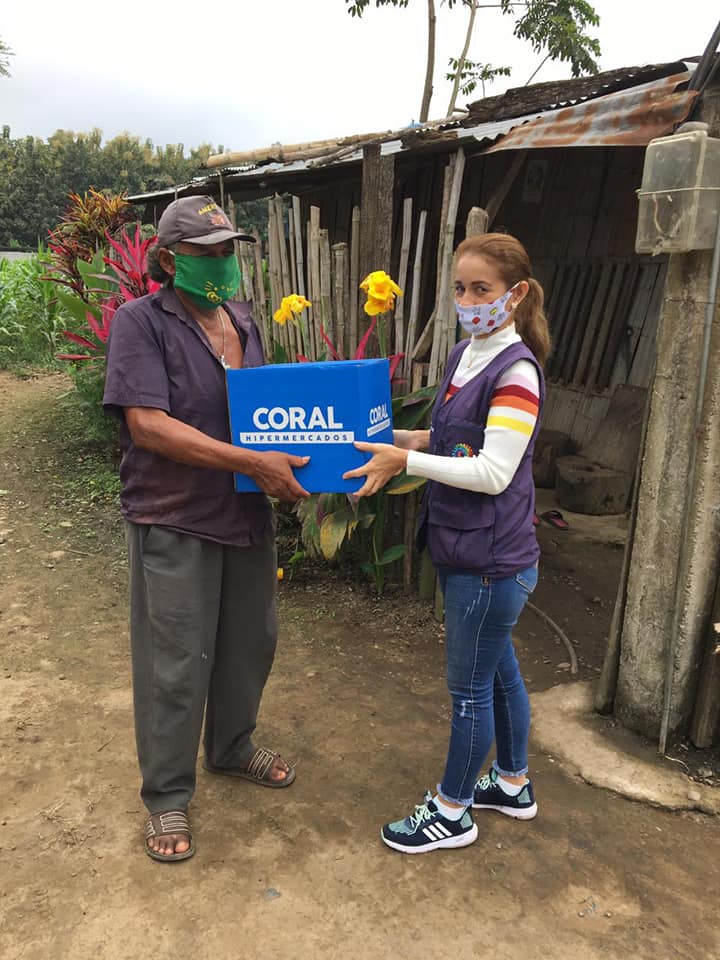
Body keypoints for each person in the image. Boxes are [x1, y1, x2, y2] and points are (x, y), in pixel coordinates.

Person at [103, 195, 310, 862]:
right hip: (176, 514)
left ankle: (230, 745)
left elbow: (267, 413)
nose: (222, 262)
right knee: (175, 658)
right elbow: (148, 426)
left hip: (245, 511)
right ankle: (166, 794)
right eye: (206, 253)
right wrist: (251, 462)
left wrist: (312, 453)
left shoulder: (242, 320)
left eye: (228, 251)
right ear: (169, 261)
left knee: (250, 640)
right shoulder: (142, 322)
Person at [344, 232, 550, 854]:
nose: (468, 301)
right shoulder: (467, 353)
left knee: (470, 693)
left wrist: (405, 464)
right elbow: (455, 437)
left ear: (515, 294)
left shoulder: (516, 372)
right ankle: (511, 783)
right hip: (469, 550)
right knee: (500, 674)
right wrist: (403, 439)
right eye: (460, 288)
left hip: (491, 561)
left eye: (482, 289)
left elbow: (492, 471)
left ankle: (452, 811)